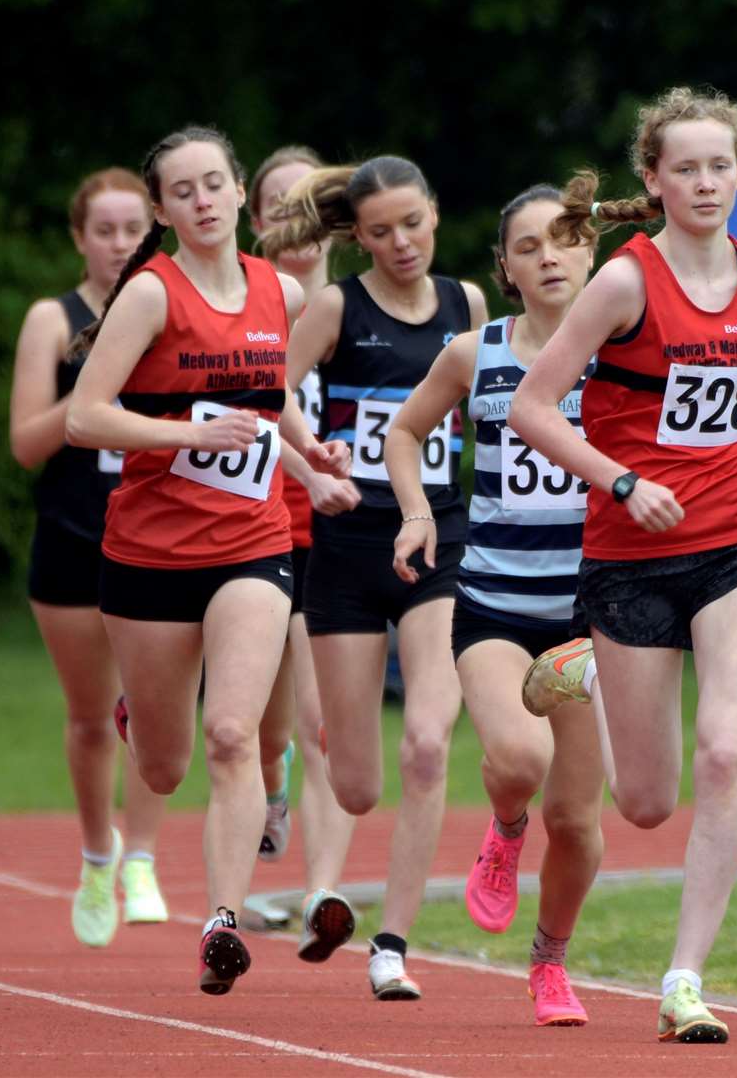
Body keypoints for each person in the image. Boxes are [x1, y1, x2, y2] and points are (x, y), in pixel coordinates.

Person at [508, 86, 737, 1044]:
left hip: (735, 540)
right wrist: (622, 479)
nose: (705, 181)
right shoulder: (625, 283)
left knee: (725, 751)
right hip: (631, 553)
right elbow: (532, 407)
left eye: (719, 164)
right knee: (642, 803)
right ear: (652, 178)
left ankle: (683, 980)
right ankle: (592, 669)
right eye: (684, 166)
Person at [65, 126, 350, 995]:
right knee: (164, 764)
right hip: (148, 555)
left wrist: (309, 456)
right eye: (181, 190)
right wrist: (188, 433)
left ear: (238, 195)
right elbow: (85, 417)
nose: (201, 200)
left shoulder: (280, 291)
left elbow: (270, 398)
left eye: (213, 183)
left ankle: (220, 922)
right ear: (162, 209)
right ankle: (137, 718)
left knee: (232, 734)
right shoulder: (151, 296)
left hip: (252, 543)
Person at [265, 154, 488, 1000]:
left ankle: (391, 943)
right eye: (381, 231)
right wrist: (310, 455)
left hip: (440, 539)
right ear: (355, 237)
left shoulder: (466, 303)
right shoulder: (334, 307)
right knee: (355, 784)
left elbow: (492, 403)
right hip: (349, 548)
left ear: (435, 214)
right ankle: (310, 788)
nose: (401, 243)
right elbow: (270, 393)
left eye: (413, 224)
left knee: (429, 743)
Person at [385, 186, 605, 1026]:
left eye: (562, 240)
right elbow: (403, 433)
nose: (548, 255)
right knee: (519, 757)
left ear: (590, 252)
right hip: (492, 604)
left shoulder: (624, 353)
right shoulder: (472, 354)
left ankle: (549, 962)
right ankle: (504, 826)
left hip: (595, 613)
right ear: (505, 269)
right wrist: (414, 512)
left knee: (580, 823)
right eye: (526, 245)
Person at [9, 169, 172, 948]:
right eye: (103, 231)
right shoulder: (54, 317)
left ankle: (141, 856)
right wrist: (89, 404)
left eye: (131, 231)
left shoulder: (174, 307)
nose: (118, 246)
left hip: (157, 540)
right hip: (72, 540)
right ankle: (96, 853)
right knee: (89, 718)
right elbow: (24, 444)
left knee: (151, 712)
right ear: (79, 237)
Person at [247, 145, 360, 961]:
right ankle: (270, 782)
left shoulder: (365, 309)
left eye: (313, 204)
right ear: (256, 223)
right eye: (280, 206)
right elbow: (252, 412)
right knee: (258, 717)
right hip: (253, 525)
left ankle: (323, 890)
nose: (298, 223)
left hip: (337, 533)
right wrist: (304, 469)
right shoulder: (249, 309)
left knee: (325, 718)